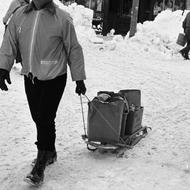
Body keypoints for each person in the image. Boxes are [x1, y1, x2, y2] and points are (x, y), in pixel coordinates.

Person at [0, 0, 86, 186]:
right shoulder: (20, 15)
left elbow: (73, 48)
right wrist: (3, 67)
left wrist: (78, 78)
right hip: (31, 76)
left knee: (44, 117)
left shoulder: (62, 18)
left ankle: (40, 163)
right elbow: (10, 42)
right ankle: (51, 151)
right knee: (38, 117)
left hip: (55, 77)